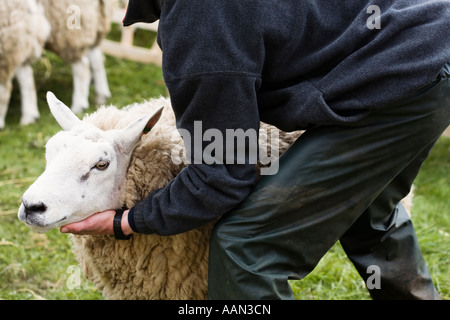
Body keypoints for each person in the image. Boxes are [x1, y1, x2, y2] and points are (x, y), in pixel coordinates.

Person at [61, 0, 450, 299]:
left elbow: (224, 173)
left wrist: (125, 222)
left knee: (247, 248)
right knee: (371, 214)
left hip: (398, 75)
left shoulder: (200, 23)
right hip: (428, 42)